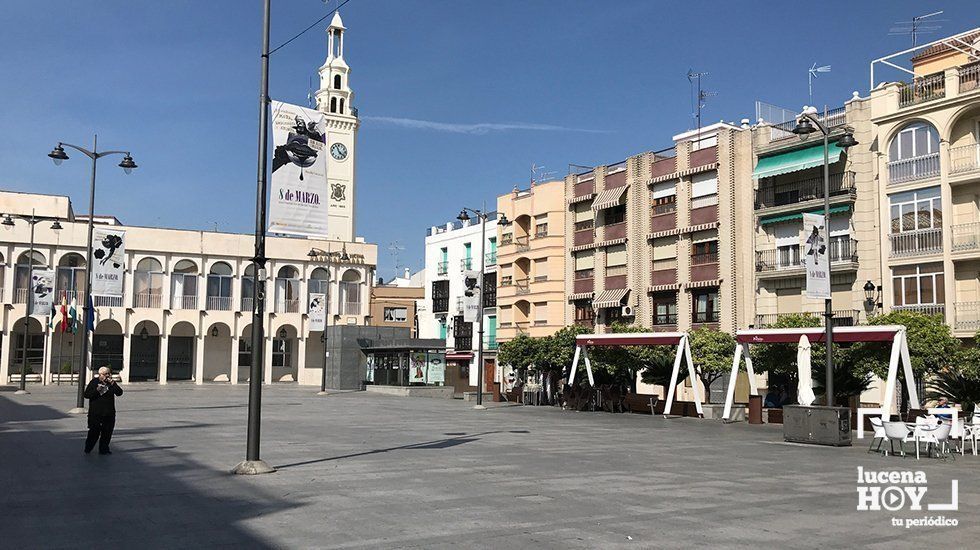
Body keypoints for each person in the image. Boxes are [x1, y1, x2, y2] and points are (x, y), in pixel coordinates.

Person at [83, 367, 123, 455]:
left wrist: (113, 384)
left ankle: (104, 449)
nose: (108, 376)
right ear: (100, 374)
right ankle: (88, 447)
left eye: (109, 373)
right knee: (94, 432)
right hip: (95, 413)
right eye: (105, 374)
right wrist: (97, 390)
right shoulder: (94, 382)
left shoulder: (111, 383)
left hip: (109, 413)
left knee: (107, 432)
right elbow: (86, 395)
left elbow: (119, 393)